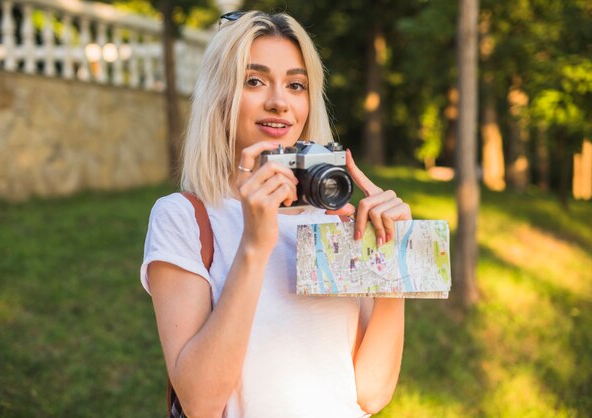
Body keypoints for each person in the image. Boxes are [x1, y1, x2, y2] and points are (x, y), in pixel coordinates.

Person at [140, 11, 410, 418]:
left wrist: (390, 261)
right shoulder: (184, 218)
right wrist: (255, 245)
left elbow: (370, 393)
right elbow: (200, 401)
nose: (279, 102)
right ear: (221, 94)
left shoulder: (335, 221)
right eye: (254, 81)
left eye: (295, 85)